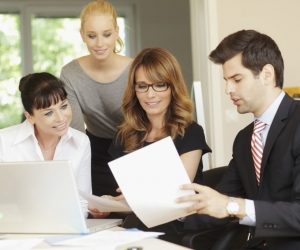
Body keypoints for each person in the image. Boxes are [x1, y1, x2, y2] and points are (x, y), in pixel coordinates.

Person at [177, 29, 300, 249]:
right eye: (226, 80)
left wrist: (233, 207)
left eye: (236, 79)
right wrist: (173, 209)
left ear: (267, 74)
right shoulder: (244, 140)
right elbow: (222, 199)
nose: (228, 89)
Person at [109, 47, 211, 243]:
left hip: (178, 229)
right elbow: (125, 196)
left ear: (172, 87)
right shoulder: (124, 136)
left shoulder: (190, 132)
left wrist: (136, 190)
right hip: (136, 227)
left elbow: (178, 189)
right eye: (142, 86)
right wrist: (108, 202)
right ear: (134, 90)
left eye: (159, 85)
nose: (150, 95)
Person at [60, 0, 133, 197]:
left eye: (107, 34)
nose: (100, 43)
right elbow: (74, 133)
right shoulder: (70, 73)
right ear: (82, 35)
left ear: (117, 32)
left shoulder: (135, 69)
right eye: (92, 36)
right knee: (99, 213)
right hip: (95, 152)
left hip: (135, 147)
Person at [0, 72, 92, 217]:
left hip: (65, 230)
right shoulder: (4, 142)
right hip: (13, 231)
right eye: (48, 113)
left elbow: (82, 201)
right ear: (29, 117)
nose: (61, 118)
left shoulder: (81, 142)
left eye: (63, 106)